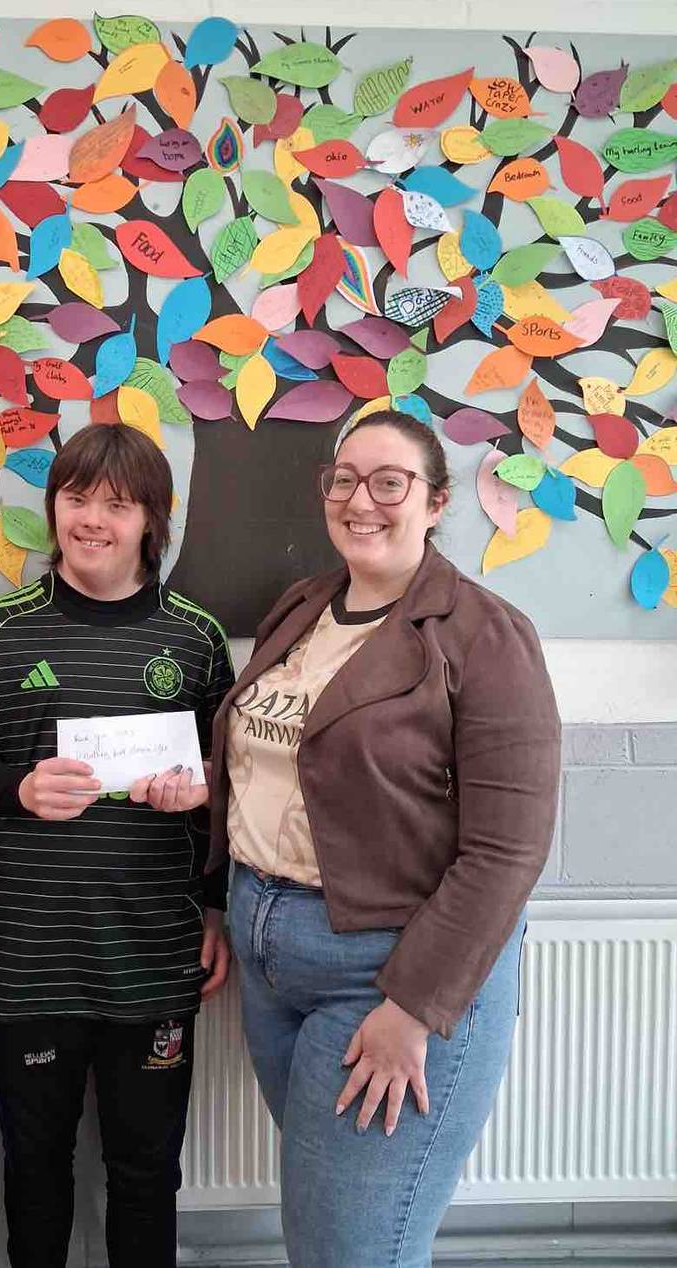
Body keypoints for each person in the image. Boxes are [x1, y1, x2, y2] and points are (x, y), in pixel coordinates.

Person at [208, 410, 561, 1268]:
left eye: (389, 482)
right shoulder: (303, 608)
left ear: (435, 503)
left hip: (388, 975)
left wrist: (412, 1009)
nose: (360, 500)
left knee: (353, 1248)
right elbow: (271, 768)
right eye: (344, 479)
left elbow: (507, 850)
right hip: (271, 962)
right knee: (328, 1227)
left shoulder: (484, 634)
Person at [0, 422, 235, 1268]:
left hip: (153, 955)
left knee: (146, 1174)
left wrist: (214, 906)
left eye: (117, 504)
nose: (92, 520)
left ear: (152, 520)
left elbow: (234, 788)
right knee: (34, 1170)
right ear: (53, 508)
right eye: (76, 498)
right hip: (26, 958)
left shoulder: (195, 638)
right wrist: (18, 788)